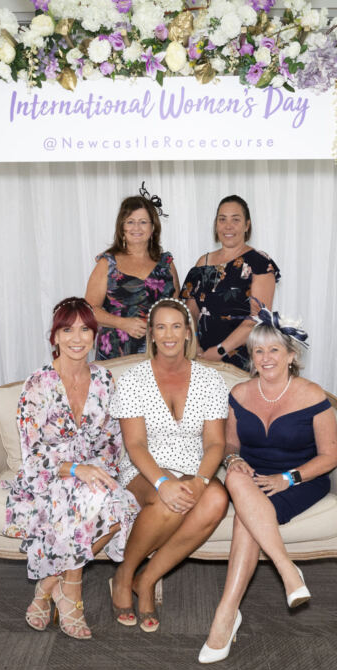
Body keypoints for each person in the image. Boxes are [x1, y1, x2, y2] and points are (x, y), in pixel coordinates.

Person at [199, 306, 337, 663]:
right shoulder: (240, 393)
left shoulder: (313, 395)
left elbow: (329, 457)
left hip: (301, 479)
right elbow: (229, 444)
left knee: (246, 518)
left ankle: (226, 615)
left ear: (291, 356)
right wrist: (234, 459)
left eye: (274, 349)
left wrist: (287, 478)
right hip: (251, 478)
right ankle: (287, 570)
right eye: (258, 350)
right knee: (236, 476)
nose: (265, 358)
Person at [2, 297, 139, 639]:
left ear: (94, 335)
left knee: (122, 507)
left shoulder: (104, 380)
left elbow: (112, 441)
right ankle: (72, 592)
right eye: (67, 330)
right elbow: (32, 455)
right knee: (84, 500)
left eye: (84, 330)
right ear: (54, 337)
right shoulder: (37, 384)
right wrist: (77, 471)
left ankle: (49, 586)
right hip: (47, 476)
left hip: (91, 472)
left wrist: (97, 471)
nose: (77, 338)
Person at [109, 298, 230, 632]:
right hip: (145, 467)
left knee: (217, 499)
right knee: (168, 502)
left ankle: (146, 579)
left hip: (193, 465)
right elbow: (135, 445)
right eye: (160, 327)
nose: (169, 334)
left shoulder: (210, 380)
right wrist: (163, 483)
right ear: (151, 334)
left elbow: (215, 443)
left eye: (176, 326)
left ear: (188, 332)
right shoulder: (133, 380)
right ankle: (124, 576)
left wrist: (201, 482)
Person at [181, 194, 280, 372]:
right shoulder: (202, 263)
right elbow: (190, 312)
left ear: (247, 225)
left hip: (241, 359)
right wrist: (195, 346)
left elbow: (257, 318)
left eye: (235, 219)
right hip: (201, 357)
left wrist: (219, 351)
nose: (228, 226)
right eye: (222, 219)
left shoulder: (259, 263)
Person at [85, 195, 180, 360]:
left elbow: (177, 310)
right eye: (130, 222)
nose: (136, 227)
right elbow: (89, 310)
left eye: (143, 222)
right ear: (122, 227)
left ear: (153, 228)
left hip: (161, 352)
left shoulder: (166, 264)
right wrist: (122, 323)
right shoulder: (107, 264)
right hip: (116, 352)